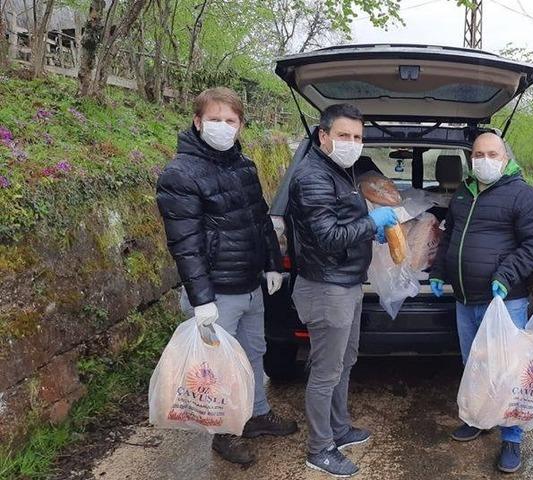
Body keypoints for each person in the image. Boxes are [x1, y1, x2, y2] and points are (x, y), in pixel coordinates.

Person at [155, 87, 298, 465]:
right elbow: (185, 245)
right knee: (216, 370)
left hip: (250, 285)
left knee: (255, 354)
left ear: (240, 125)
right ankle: (223, 433)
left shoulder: (245, 166)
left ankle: (257, 414)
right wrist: (202, 301)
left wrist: (272, 264)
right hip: (216, 293)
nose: (222, 126)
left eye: (230, 120)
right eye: (215, 119)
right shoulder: (179, 174)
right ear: (198, 122)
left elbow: (260, 221)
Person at [429, 132, 533, 474]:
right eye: (478, 154)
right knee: (475, 365)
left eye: (491, 153)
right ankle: (480, 418)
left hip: (504, 300)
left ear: (505, 157)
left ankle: (511, 437)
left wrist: (507, 273)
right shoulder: (463, 194)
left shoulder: (523, 195)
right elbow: (449, 236)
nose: (484, 160)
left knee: (508, 371)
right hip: (465, 299)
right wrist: (440, 271)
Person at [287, 103, 399, 478]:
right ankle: (320, 448)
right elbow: (329, 237)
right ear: (324, 136)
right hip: (325, 287)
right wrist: (372, 222)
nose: (352, 143)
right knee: (324, 371)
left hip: (348, 282)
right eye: (344, 135)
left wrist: (371, 226)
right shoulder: (312, 177)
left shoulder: (343, 172)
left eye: (357, 137)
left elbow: (346, 222)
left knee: (345, 361)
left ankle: (339, 427)